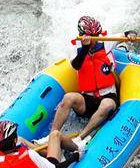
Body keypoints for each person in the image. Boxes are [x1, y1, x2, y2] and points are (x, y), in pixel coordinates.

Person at [49, 16, 120, 145]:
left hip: (108, 95)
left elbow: (125, 35)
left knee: (107, 105)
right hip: (88, 100)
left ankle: (80, 139)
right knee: (68, 97)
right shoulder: (74, 48)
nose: (94, 39)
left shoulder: (106, 41)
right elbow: (76, 65)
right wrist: (85, 48)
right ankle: (52, 136)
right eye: (91, 37)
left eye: (96, 36)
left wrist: (131, 34)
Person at [0, 120, 79, 168]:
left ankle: (43, 145)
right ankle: (78, 146)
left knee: (24, 141)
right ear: (14, 140)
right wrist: (74, 157)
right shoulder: (30, 154)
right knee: (55, 135)